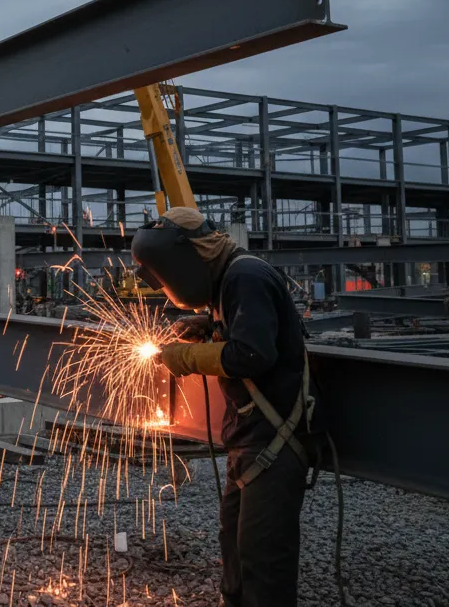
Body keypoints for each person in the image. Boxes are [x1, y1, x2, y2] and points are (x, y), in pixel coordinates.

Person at [130, 207, 318, 607]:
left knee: (263, 563)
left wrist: (188, 357)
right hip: (248, 441)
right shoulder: (227, 282)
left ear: (189, 257)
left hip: (274, 444)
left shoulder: (244, 276)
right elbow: (244, 334)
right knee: (234, 547)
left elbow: (253, 354)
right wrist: (210, 328)